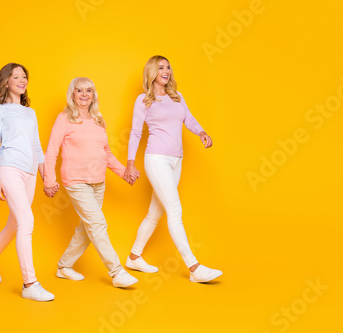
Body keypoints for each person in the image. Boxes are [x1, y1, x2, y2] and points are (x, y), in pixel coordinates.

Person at [124, 55, 223, 283]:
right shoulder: (143, 101)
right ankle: (194, 268)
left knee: (154, 213)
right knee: (175, 210)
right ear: (152, 73)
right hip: (157, 159)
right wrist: (130, 162)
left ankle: (133, 257)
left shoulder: (177, 97)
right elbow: (136, 133)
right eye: (160, 68)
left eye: (168, 67)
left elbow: (188, 118)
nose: (166, 71)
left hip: (176, 160)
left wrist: (201, 132)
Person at [44, 77, 139, 288]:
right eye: (79, 91)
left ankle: (64, 266)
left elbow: (106, 153)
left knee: (86, 228)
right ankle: (117, 272)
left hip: (98, 182)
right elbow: (51, 151)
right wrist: (49, 180)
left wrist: (124, 172)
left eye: (89, 90)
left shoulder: (98, 120)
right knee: (97, 224)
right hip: (76, 181)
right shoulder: (64, 119)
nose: (84, 95)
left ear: (93, 94)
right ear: (72, 94)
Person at [0, 63, 55, 301]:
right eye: (16, 76)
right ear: (6, 82)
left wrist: (47, 176)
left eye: (24, 76)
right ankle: (29, 284)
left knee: (15, 223)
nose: (22, 80)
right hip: (9, 168)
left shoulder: (30, 112)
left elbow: (37, 146)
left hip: (30, 172)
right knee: (26, 220)